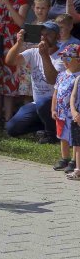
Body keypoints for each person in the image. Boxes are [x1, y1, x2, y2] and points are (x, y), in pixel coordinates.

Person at [5, 23, 62, 145]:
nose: (44, 38)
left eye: (49, 35)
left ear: (58, 37)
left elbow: (52, 80)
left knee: (43, 104)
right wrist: (18, 43)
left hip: (57, 105)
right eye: (42, 34)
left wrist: (45, 56)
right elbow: (10, 61)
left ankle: (53, 136)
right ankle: (47, 126)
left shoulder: (62, 56)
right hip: (39, 104)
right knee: (11, 128)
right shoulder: (33, 51)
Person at [52, 44, 80, 175]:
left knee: (74, 138)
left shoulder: (78, 77)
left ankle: (74, 160)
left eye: (68, 58)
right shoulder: (61, 75)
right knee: (62, 136)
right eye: (63, 58)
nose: (64, 61)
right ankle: (64, 158)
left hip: (73, 113)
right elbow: (55, 93)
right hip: (61, 113)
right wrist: (53, 109)